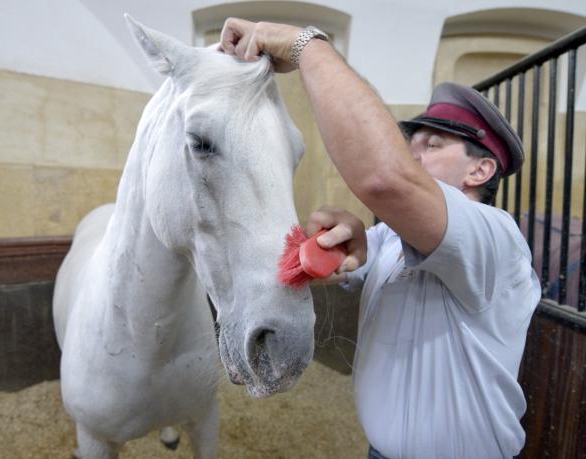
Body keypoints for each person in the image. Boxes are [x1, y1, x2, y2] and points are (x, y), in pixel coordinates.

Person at [219, 18, 541, 459]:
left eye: (432, 145)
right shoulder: (391, 234)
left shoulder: (495, 236)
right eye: (412, 143)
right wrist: (351, 240)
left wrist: (306, 45)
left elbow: (384, 179)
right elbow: (359, 258)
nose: (413, 153)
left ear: (479, 170)